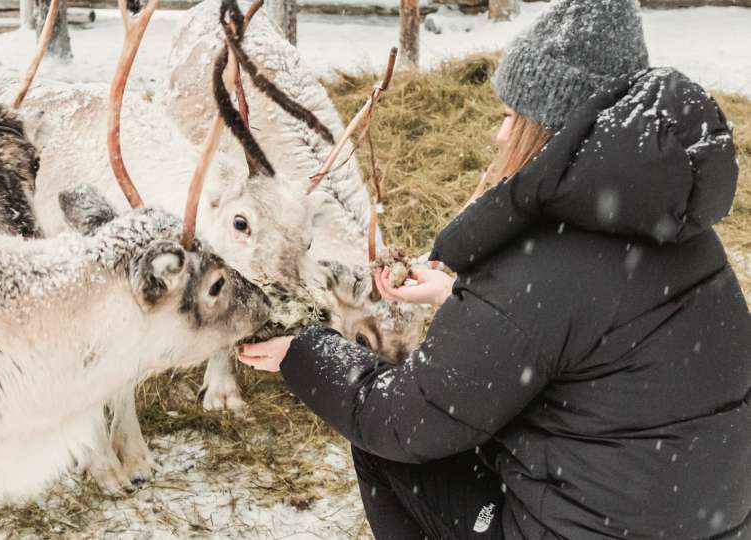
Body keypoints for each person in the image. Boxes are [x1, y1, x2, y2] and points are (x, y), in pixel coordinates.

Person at [237, 0, 751, 538]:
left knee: (383, 448)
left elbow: (403, 422)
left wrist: (307, 354)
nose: (500, 136)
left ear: (554, 132)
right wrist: (461, 293)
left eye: (512, 117)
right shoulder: (679, 233)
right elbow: (590, 327)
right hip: (704, 524)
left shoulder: (537, 268)